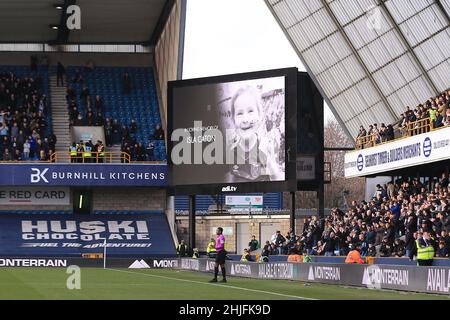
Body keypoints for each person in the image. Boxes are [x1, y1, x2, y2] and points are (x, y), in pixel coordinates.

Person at [224, 86, 283, 182]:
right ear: (233, 119)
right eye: (239, 113)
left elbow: (277, 179)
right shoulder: (231, 150)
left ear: (259, 115)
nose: (245, 119)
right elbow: (229, 182)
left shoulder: (266, 145)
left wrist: (267, 159)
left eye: (250, 111)